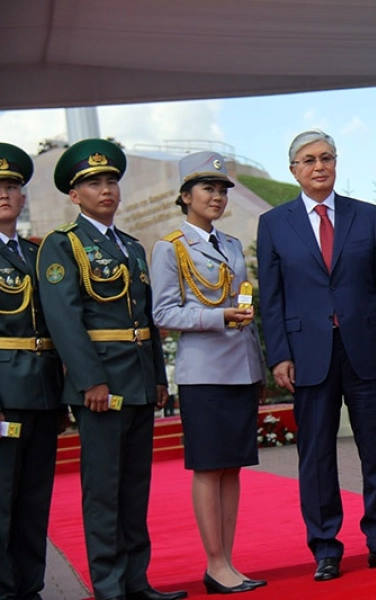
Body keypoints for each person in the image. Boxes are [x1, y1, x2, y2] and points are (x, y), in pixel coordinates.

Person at [256, 130, 376, 582]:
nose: (319, 166)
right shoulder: (274, 224)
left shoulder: (366, 217)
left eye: (326, 158)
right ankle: (325, 547)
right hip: (308, 354)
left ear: (336, 163)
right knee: (317, 454)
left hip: (365, 350)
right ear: (294, 171)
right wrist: (278, 355)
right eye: (308, 160)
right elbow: (272, 298)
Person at [37, 139, 186, 600]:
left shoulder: (131, 247)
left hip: (140, 380)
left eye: (110, 181)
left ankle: (136, 581)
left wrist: (160, 378)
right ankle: (108, 584)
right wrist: (91, 381)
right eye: (93, 183)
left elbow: (144, 319)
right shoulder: (63, 246)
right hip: (101, 384)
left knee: (135, 488)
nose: (105, 190)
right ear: (74, 194)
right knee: (103, 490)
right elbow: (65, 321)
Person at [150, 152, 267, 594]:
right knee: (209, 468)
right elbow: (163, 312)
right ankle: (214, 563)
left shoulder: (232, 244)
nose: (216, 197)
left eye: (221, 190)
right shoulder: (170, 247)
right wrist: (217, 316)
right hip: (204, 372)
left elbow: (244, 301)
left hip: (240, 366)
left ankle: (228, 562)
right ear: (185, 196)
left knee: (233, 468)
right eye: (207, 189)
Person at [0, 144, 64, 600]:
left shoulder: (38, 253)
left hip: (42, 390)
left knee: (34, 499)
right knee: (1, 500)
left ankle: (30, 586)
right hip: (4, 390)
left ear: (23, 198)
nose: (4, 195)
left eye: (12, 187)